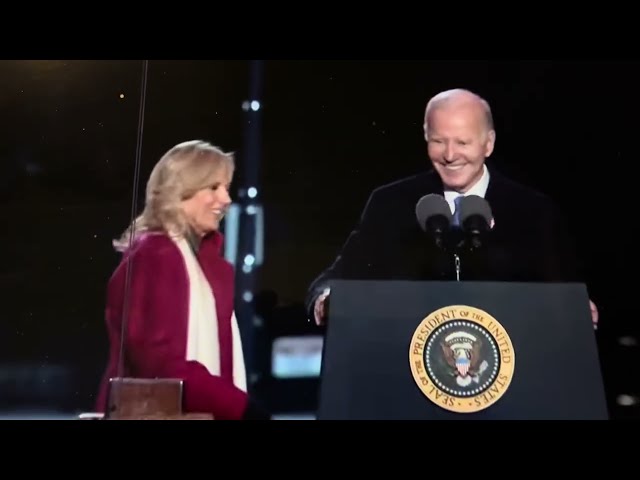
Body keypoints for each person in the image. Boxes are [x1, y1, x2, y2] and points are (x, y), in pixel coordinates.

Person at [306, 88, 599, 328]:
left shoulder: (533, 211)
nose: (449, 155)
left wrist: (576, 308)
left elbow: (562, 294)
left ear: (489, 143)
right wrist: (327, 298)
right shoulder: (389, 203)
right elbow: (338, 277)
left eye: (462, 142)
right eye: (438, 141)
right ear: (425, 137)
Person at [95, 140, 270, 420]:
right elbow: (160, 363)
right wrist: (238, 407)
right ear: (180, 192)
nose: (225, 200)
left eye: (225, 188)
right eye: (213, 188)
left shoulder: (200, 260)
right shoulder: (158, 254)